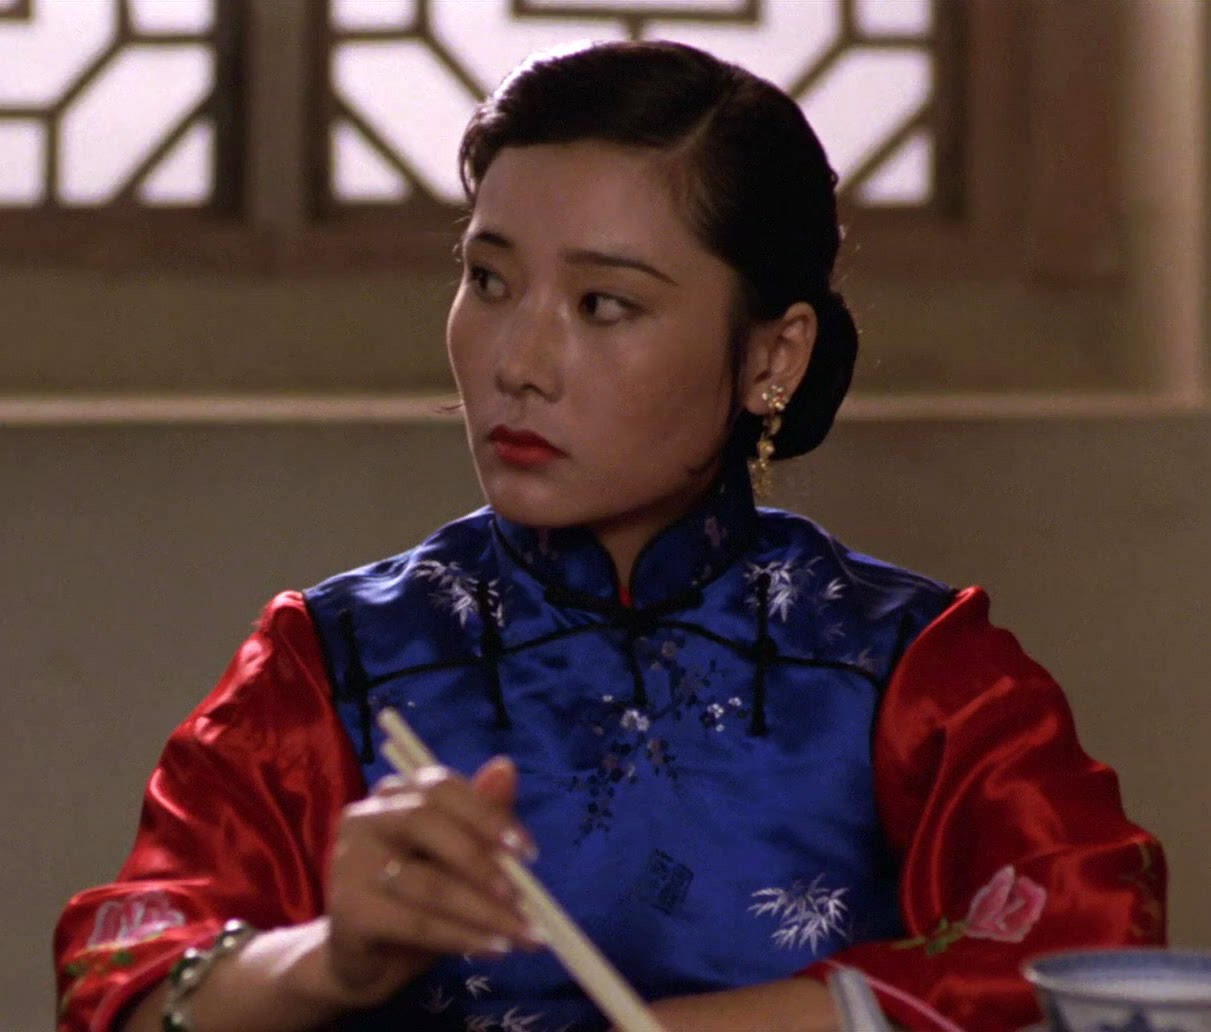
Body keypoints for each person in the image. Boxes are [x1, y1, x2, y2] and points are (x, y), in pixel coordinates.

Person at [55, 40, 1165, 1032]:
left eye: (602, 304)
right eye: (488, 280)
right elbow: (124, 979)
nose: (516, 362)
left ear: (770, 356)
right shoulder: (333, 666)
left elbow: (1087, 943)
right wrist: (327, 964)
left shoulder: (915, 675)